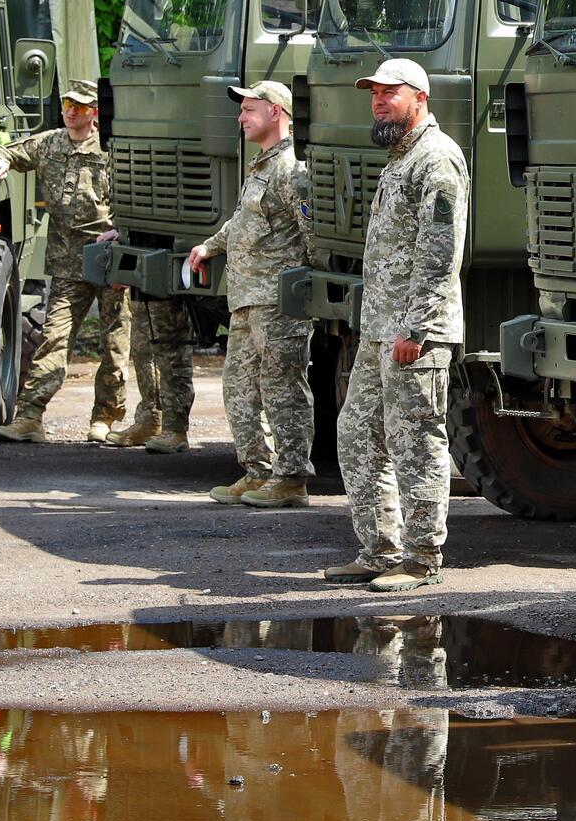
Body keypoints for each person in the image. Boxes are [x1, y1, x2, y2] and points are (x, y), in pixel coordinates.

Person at [323, 58, 468, 592]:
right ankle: (379, 550)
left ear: (420, 98)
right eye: (374, 95)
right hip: (380, 330)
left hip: (414, 335)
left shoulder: (437, 159)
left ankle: (422, 558)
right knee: (357, 433)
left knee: (416, 442)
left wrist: (418, 328)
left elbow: (439, 254)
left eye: (390, 94)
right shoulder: (399, 159)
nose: (379, 102)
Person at [186, 80, 316, 507]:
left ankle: (291, 479)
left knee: (282, 388)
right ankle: (257, 470)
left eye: (248, 110)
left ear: (276, 112)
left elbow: (312, 236)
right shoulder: (262, 165)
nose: (240, 118)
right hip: (245, 299)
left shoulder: (291, 169)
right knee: (238, 385)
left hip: (278, 302)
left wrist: (304, 285)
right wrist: (210, 245)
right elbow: (245, 222)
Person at [0, 80, 130, 443]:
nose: (70, 111)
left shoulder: (112, 147)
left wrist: (124, 234)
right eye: (68, 103)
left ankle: (105, 418)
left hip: (111, 258)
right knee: (54, 337)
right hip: (68, 261)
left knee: (115, 344)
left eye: (80, 106)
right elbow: (6, 152)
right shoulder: (50, 143)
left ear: (93, 112)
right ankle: (31, 416)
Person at [88, 233, 195, 455]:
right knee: (143, 348)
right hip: (142, 256)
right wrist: (122, 234)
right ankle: (151, 419)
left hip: (170, 258)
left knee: (170, 349)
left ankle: (175, 429)